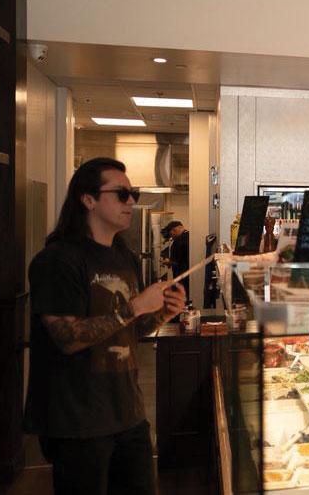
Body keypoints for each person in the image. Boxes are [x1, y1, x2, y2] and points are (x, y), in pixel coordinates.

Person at [23, 157, 187, 495]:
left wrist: (162, 314)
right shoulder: (58, 260)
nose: (131, 202)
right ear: (88, 199)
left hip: (128, 413)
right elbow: (67, 338)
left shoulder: (124, 257)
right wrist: (135, 307)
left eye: (133, 193)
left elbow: (131, 331)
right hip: (76, 421)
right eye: (122, 194)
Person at [161, 220, 190, 297]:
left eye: (171, 233)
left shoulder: (178, 241)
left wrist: (167, 262)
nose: (172, 236)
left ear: (175, 229)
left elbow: (176, 262)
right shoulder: (191, 236)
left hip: (181, 277)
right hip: (190, 276)